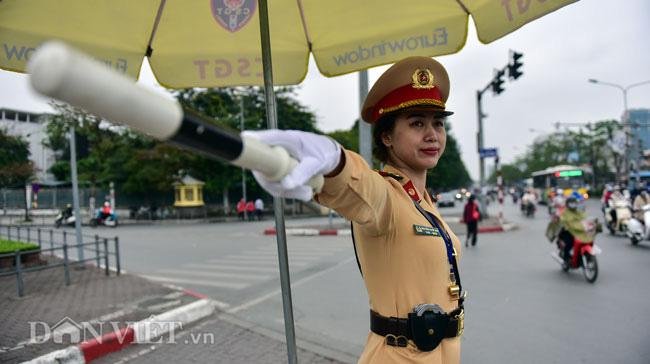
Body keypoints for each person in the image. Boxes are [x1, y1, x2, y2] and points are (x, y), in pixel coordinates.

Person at [245, 57, 464, 363]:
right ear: (386, 136)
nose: (432, 134)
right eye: (417, 123)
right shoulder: (387, 197)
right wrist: (334, 160)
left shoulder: (424, 202)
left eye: (437, 123)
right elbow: (358, 184)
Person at [558, 196, 589, 266]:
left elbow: (584, 217)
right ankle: (566, 259)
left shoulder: (578, 211)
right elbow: (562, 219)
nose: (573, 204)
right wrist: (565, 224)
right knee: (569, 243)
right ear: (567, 204)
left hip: (578, 231)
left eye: (574, 203)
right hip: (567, 231)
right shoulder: (564, 212)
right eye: (571, 203)